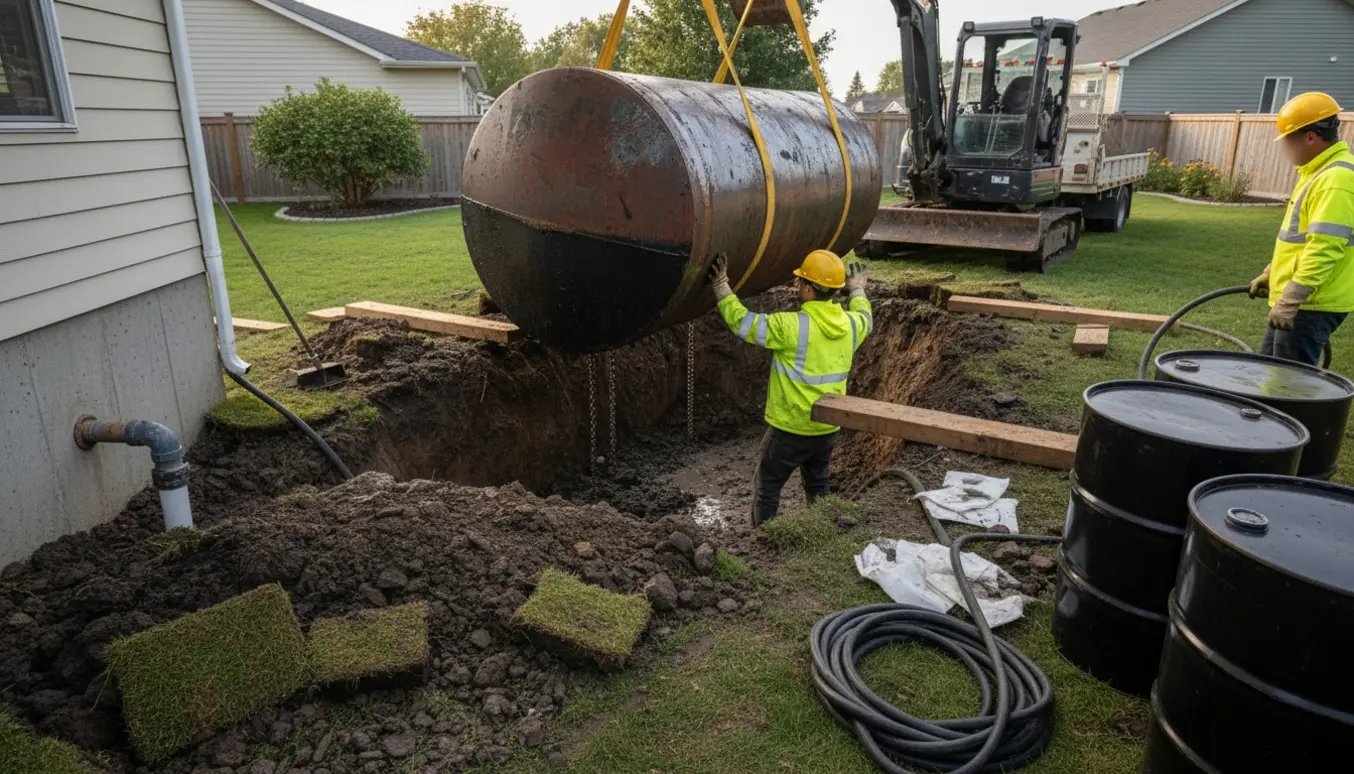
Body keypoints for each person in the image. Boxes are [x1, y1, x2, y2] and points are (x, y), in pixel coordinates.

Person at [708, 249, 872, 525]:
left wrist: (720, 285)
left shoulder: (791, 327)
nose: (798, 287)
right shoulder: (853, 325)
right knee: (818, 483)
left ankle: (763, 542)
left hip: (790, 429)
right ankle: (820, 531)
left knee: (768, 485)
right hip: (827, 428)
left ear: (808, 288)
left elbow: (743, 323)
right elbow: (865, 315)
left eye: (800, 283)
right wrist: (857, 290)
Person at [1250, 92, 1354, 366]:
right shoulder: (1318, 173)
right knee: (1268, 372)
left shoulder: (1335, 179)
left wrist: (1291, 299)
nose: (1284, 146)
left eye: (1288, 138)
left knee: (1288, 385)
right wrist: (1273, 273)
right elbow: (1299, 239)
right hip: (1302, 301)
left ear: (1310, 137)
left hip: (1312, 304)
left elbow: (1325, 248)